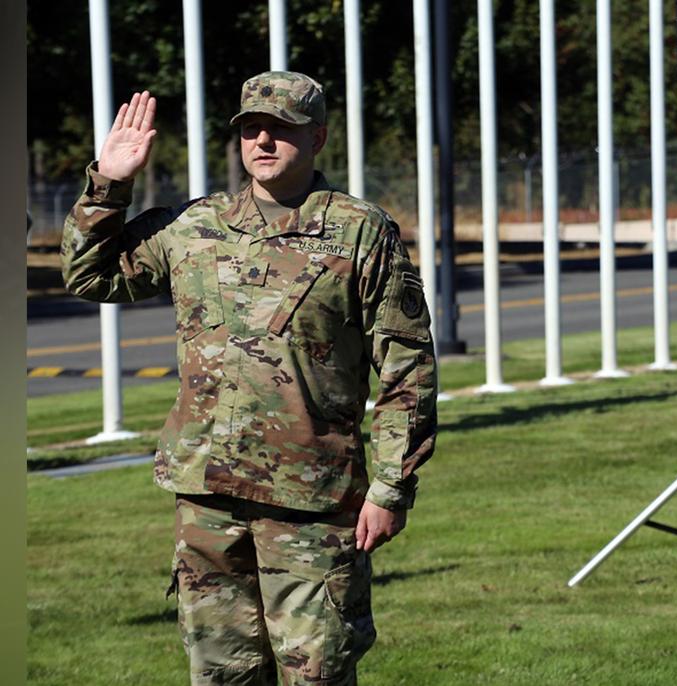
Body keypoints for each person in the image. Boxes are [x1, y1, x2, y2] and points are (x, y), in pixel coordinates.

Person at [61, 71, 438, 685]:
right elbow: (90, 276)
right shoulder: (194, 225)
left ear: (316, 138)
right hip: (207, 493)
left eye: (281, 129)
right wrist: (109, 183)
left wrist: (391, 488)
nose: (263, 141)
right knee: (221, 675)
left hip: (311, 497)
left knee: (316, 672)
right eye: (251, 129)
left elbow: (407, 367)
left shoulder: (360, 231)